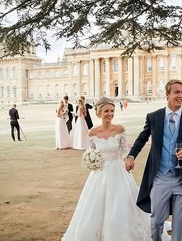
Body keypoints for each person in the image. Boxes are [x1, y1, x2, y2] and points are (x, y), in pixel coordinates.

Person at [62, 97, 170, 241]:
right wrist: (91, 161)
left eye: (112, 111)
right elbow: (91, 152)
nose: (110, 114)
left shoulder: (120, 130)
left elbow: (124, 152)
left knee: (122, 204)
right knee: (95, 207)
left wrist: (129, 160)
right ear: (99, 112)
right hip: (99, 174)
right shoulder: (92, 133)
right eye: (106, 111)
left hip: (118, 172)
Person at [125, 79, 182, 241]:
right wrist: (131, 156)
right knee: (156, 222)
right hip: (160, 177)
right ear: (167, 94)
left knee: (180, 223)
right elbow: (142, 138)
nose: (180, 96)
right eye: (177, 92)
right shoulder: (154, 117)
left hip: (181, 180)